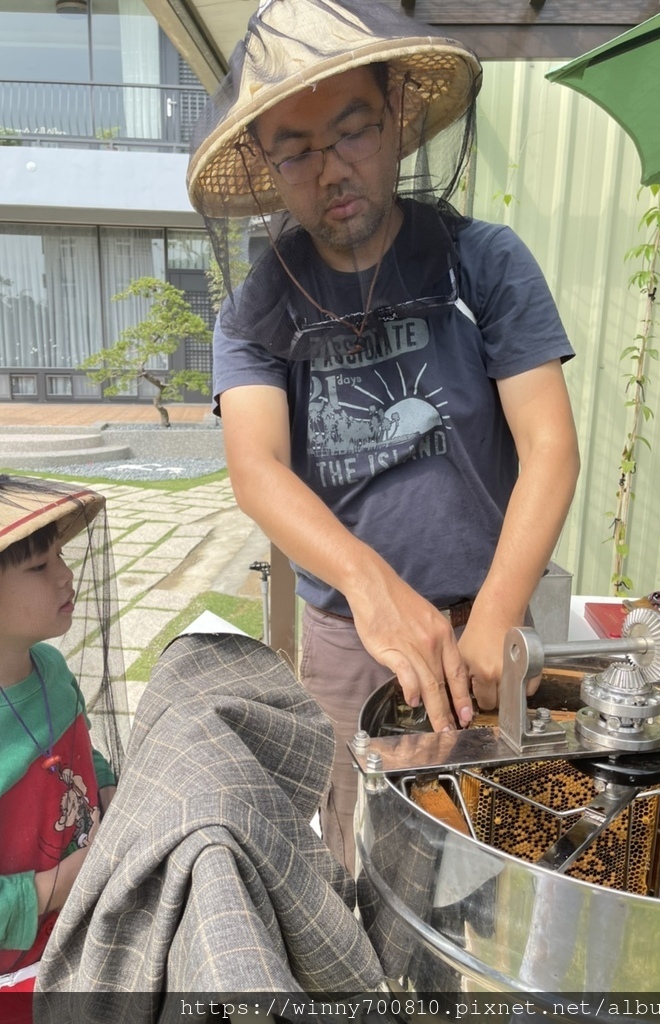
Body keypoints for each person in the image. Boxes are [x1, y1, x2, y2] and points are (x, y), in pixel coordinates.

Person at [187, 0, 579, 873]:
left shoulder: (483, 262)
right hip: (346, 639)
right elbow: (258, 469)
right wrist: (370, 587)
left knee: (507, 844)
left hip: (495, 613)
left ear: (396, 118)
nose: (332, 169)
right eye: (296, 149)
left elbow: (550, 445)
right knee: (368, 853)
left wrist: (501, 615)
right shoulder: (260, 308)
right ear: (267, 163)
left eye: (353, 131)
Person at [0, 465, 126, 1022]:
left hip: (82, 935)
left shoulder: (50, 668)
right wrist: (57, 885)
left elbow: (80, 747)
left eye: (59, 555)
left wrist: (107, 790)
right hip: (2, 980)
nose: (64, 576)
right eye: (39, 566)